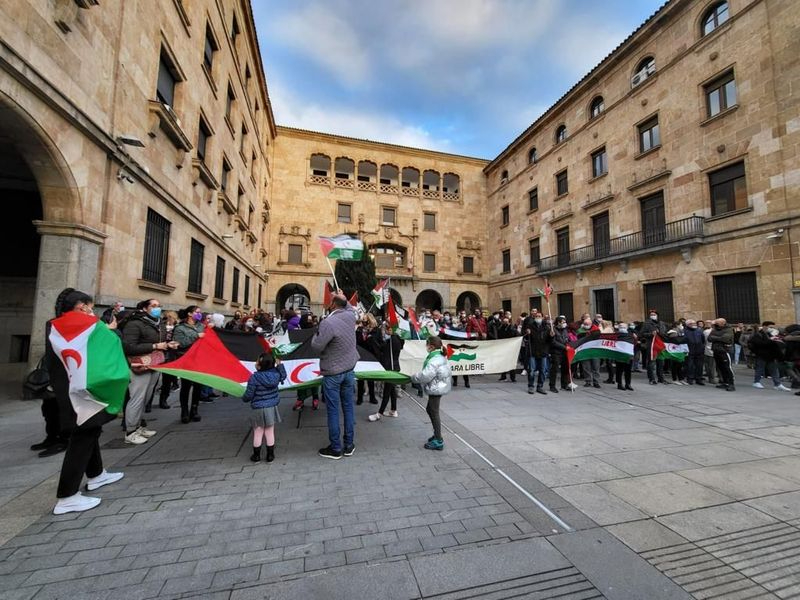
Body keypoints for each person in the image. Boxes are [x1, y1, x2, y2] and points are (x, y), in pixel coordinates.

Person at [49, 289, 125, 515]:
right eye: (90, 307)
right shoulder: (89, 325)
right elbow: (111, 344)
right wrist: (109, 330)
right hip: (86, 391)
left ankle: (96, 474)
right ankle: (67, 496)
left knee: (90, 432)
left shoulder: (55, 325)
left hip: (68, 388)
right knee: (82, 438)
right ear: (82, 306)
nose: (92, 311)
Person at [121, 298, 178, 444]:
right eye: (153, 306)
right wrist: (154, 346)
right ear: (145, 308)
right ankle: (130, 432)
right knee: (137, 397)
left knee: (146, 397)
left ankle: (139, 426)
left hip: (155, 363)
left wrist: (168, 345)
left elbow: (161, 343)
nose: (157, 308)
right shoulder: (135, 324)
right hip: (140, 365)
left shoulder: (160, 324)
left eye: (159, 306)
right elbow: (129, 347)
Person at [312, 294, 359, 460]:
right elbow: (348, 306)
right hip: (349, 370)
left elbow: (317, 346)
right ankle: (349, 444)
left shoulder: (328, 323)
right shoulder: (350, 315)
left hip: (333, 372)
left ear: (332, 304)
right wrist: (342, 298)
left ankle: (335, 448)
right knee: (348, 407)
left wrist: (316, 333)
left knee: (333, 410)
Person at [243, 352, 286, 462]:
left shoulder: (254, 377)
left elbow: (249, 394)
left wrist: (244, 398)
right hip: (271, 407)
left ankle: (256, 456)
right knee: (270, 431)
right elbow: (283, 375)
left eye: (257, 361)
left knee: (258, 432)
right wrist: (280, 365)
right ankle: (270, 455)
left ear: (260, 365)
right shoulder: (276, 375)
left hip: (258, 408)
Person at [410, 336, 452, 451]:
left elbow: (425, 375)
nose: (426, 347)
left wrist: (412, 378)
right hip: (438, 386)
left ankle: (438, 440)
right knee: (430, 409)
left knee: (434, 412)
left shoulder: (434, 360)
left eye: (427, 345)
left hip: (436, 388)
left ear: (431, 346)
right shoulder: (439, 356)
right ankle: (437, 435)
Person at [173, 306, 206, 423]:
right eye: (197, 312)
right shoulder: (180, 328)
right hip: (186, 360)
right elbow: (180, 343)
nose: (199, 314)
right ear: (189, 314)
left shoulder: (202, 326)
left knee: (198, 386)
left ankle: (194, 410)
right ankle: (184, 411)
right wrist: (196, 336)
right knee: (186, 387)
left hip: (200, 360)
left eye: (200, 312)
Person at [369, 321, 404, 421]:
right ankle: (393, 410)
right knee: (392, 390)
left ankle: (379, 414)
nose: (386, 331)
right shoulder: (397, 339)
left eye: (388, 329)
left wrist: (373, 341)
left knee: (386, 391)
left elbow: (382, 350)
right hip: (393, 367)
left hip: (391, 368)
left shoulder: (393, 340)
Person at [749, 321, 791, 391]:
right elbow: (758, 343)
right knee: (760, 368)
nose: (772, 329)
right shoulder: (758, 334)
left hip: (771, 355)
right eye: (770, 327)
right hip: (762, 355)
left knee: (774, 370)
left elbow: (774, 345)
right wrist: (771, 341)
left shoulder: (770, 334)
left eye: (773, 328)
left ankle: (777, 384)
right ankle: (756, 382)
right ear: (765, 326)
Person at [709, 318, 735, 391]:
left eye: (717, 323)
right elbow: (709, 338)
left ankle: (731, 384)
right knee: (720, 367)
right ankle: (725, 382)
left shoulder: (728, 329)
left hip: (724, 351)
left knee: (727, 367)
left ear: (723, 323)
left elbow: (725, 339)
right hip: (716, 350)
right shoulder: (715, 329)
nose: (716, 324)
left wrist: (715, 337)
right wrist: (719, 338)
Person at [684, 319, 706, 385]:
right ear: (687, 325)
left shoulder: (699, 330)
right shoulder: (684, 331)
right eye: (692, 323)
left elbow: (703, 340)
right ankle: (690, 378)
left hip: (699, 351)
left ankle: (699, 379)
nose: (694, 324)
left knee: (699, 366)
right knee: (689, 365)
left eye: (694, 323)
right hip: (689, 351)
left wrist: (702, 347)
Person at [615, 322, 635, 391]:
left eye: (624, 327)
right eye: (621, 327)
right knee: (619, 370)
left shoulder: (630, 335)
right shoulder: (615, 335)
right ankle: (619, 384)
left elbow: (634, 342)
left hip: (628, 355)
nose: (622, 328)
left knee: (628, 370)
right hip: (619, 355)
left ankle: (628, 384)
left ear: (627, 328)